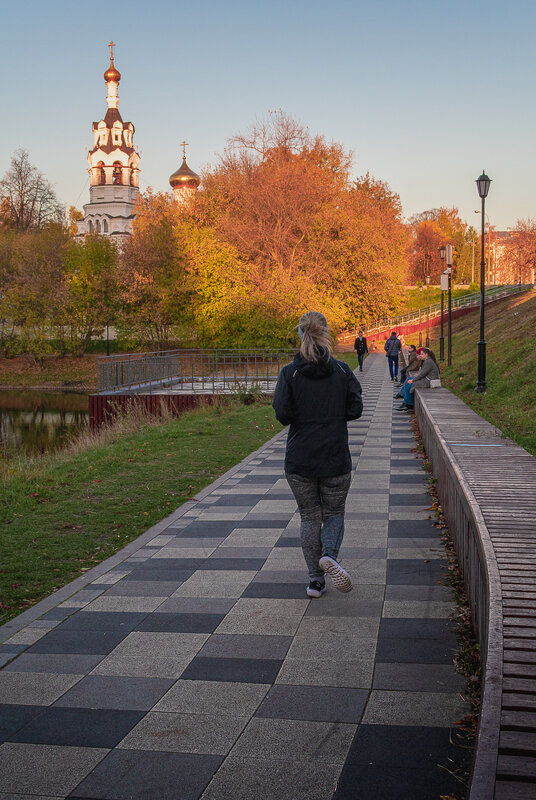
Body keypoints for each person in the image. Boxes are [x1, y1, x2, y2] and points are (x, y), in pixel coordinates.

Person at [273, 311, 363, 598]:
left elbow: (283, 415)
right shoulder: (342, 371)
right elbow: (355, 409)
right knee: (334, 512)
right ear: (326, 333)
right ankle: (329, 555)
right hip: (335, 456)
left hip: (300, 459)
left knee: (309, 517)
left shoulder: (290, 373)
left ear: (300, 334)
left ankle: (316, 581)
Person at [396, 347, 440, 412]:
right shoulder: (427, 360)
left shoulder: (428, 362)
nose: (420, 355)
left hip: (429, 381)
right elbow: (423, 371)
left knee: (410, 384)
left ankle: (408, 404)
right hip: (426, 378)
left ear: (426, 354)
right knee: (409, 379)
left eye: (422, 354)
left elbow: (422, 374)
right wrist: (416, 376)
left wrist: (413, 380)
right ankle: (405, 401)